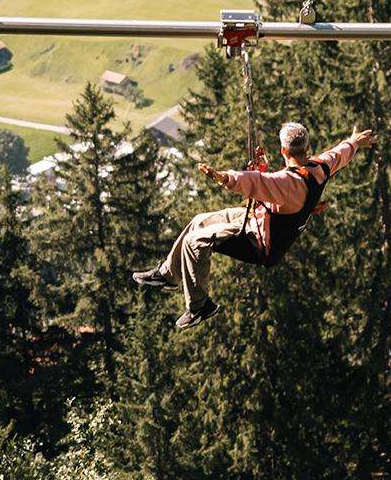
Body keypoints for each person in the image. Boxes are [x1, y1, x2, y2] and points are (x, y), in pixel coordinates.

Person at [133, 120, 376, 328]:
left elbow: (257, 182)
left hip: (259, 242)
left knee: (194, 241)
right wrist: (354, 141)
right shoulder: (320, 167)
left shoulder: (286, 182)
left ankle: (199, 306)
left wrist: (224, 178)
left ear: (283, 150)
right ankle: (168, 274)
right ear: (307, 148)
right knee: (199, 221)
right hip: (258, 220)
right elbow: (339, 154)